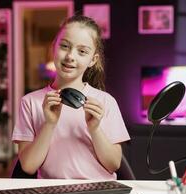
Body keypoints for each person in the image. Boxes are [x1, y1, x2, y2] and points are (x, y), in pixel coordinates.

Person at [12, 15, 130, 180]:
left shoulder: (106, 102)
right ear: (53, 48)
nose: (70, 56)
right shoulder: (30, 102)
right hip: (52, 193)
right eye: (65, 46)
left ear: (92, 60)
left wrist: (95, 129)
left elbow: (113, 164)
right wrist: (49, 124)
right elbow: (28, 166)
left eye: (82, 51)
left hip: (100, 193)